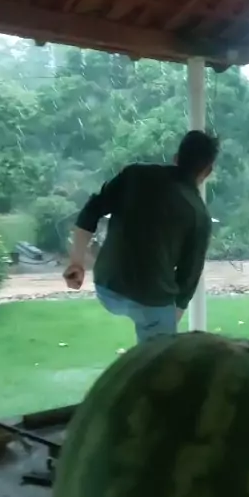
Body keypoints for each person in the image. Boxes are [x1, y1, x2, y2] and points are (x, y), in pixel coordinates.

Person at [63, 130, 219, 343]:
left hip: (108, 286)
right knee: (155, 355)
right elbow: (188, 277)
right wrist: (169, 323)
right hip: (152, 300)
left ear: (176, 158)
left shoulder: (134, 175)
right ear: (207, 171)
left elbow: (92, 210)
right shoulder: (199, 215)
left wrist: (76, 262)